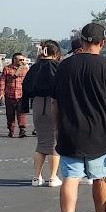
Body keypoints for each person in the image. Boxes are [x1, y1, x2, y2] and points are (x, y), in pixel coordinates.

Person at [52, 23, 106, 212]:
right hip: (99, 134)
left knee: (70, 178)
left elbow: (55, 103)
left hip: (70, 133)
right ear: (102, 43)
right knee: (99, 177)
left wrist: (59, 128)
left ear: (81, 41)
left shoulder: (64, 67)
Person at [24, 40, 62, 187]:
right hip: (55, 104)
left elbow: (26, 86)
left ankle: (36, 177)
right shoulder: (58, 67)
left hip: (38, 105)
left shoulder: (34, 68)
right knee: (54, 143)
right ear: (56, 53)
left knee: (41, 143)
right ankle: (52, 177)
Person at [1, 52, 29, 138]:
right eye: (20, 59)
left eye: (23, 59)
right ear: (14, 60)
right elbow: (3, 81)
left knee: (21, 113)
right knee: (10, 114)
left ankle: (22, 130)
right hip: (10, 94)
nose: (22, 61)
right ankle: (11, 130)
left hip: (21, 94)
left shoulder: (25, 69)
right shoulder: (7, 69)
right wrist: (1, 93)